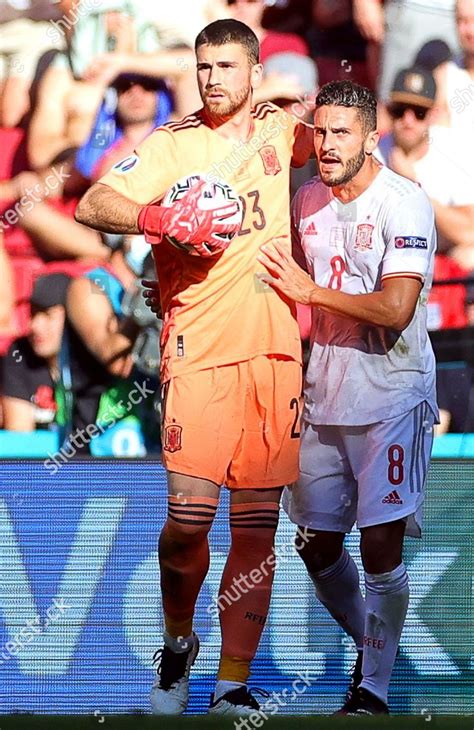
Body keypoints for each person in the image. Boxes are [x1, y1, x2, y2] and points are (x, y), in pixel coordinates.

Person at [74, 18, 313, 716]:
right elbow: (94, 201)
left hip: (273, 352)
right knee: (186, 522)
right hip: (196, 351)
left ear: (256, 72)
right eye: (204, 67)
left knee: (256, 528)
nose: (214, 80)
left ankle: (231, 685)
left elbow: (345, 142)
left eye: (228, 67)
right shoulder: (175, 145)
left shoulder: (283, 133)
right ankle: (178, 645)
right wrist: (160, 223)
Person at [258, 80, 438, 715]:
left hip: (393, 395)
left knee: (380, 546)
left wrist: (313, 296)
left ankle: (373, 691)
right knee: (315, 542)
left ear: (370, 137)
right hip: (324, 396)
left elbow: (395, 308)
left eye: (341, 133)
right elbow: (267, 271)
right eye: (320, 131)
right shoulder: (307, 198)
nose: (326, 145)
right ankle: (373, 643)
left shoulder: (405, 203)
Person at [2, 272, 70, 431]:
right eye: (33, 314)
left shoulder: (91, 361)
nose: (34, 326)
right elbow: (19, 441)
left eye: (48, 315)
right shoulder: (19, 354)